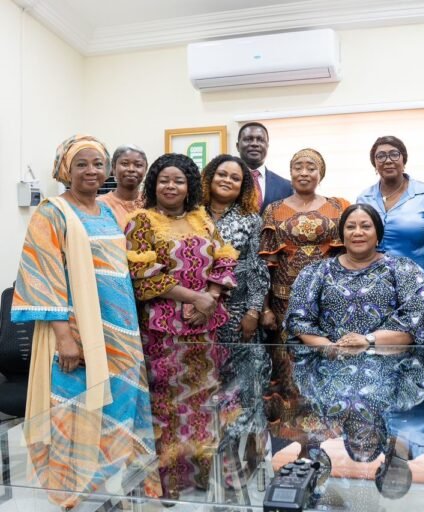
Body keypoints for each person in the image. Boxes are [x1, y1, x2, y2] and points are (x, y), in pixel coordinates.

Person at [11, 135, 159, 507]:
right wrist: (66, 339)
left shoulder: (108, 211)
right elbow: (43, 278)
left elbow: (120, 266)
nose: (92, 171)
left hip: (120, 329)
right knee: (75, 407)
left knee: (120, 403)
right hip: (78, 332)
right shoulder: (52, 212)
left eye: (97, 164)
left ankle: (108, 482)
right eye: (82, 164)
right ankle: (70, 488)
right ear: (66, 170)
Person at [284, 203, 424, 461]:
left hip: (390, 365)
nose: (358, 232)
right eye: (351, 226)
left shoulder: (403, 270)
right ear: (342, 234)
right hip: (327, 366)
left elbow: (421, 324)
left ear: (378, 234)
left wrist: (368, 341)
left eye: (365, 226)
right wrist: (328, 346)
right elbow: (299, 321)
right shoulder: (316, 272)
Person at [126, 153, 238, 499]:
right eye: (164, 180)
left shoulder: (201, 218)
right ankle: (170, 479)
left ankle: (206, 473)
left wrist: (211, 297)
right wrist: (194, 297)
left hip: (205, 328)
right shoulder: (140, 221)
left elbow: (224, 258)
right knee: (169, 404)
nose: (171, 186)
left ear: (189, 185)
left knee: (206, 399)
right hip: (164, 330)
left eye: (178, 180)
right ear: (153, 184)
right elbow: (142, 277)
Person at [201, 154, 271, 483]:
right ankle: (207, 459)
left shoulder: (250, 219)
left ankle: (247, 457)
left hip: (238, 314)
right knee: (204, 387)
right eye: (222, 174)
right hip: (196, 316)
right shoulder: (189, 215)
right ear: (209, 177)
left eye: (236, 177)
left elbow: (258, 271)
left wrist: (254, 311)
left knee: (245, 388)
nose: (227, 180)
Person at [259, 148, 350, 340]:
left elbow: (350, 255)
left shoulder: (338, 207)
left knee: (328, 355)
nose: (303, 173)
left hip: (330, 295)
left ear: (320, 175)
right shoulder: (273, 210)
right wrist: (265, 308)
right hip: (284, 298)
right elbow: (264, 264)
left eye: (311, 168)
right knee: (287, 361)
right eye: (297, 167)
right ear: (290, 173)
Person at [357, 135, 424, 284]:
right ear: (375, 164)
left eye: (394, 154)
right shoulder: (364, 198)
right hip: (373, 286)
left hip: (418, 284)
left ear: (404, 159)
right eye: (381, 156)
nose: (388, 160)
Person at [236, 121, 292, 213]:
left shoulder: (286, 186)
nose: (255, 144)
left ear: (267, 146)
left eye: (260, 140)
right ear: (238, 146)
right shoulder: (226, 182)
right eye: (248, 139)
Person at [97, 144, 148, 229]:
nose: (131, 169)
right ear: (113, 167)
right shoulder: (100, 205)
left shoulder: (151, 203)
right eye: (125, 164)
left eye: (138, 165)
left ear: (146, 169)